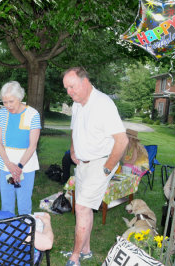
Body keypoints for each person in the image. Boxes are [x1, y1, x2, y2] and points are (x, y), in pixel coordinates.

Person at [63, 67, 128, 266]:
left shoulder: (103, 104)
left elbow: (122, 141)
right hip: (82, 163)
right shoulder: (77, 104)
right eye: (66, 88)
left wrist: (108, 167)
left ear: (85, 81)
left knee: (82, 207)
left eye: (72, 87)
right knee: (86, 207)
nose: (69, 92)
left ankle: (75, 257)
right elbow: (74, 129)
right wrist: (73, 151)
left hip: (100, 163)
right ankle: (86, 250)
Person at [0, 81, 42, 215]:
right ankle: (8, 233)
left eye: (11, 101)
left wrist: (19, 166)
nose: (8, 105)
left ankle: (25, 233)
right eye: (5, 102)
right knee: (7, 204)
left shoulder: (33, 114)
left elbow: (33, 145)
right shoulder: (2, 114)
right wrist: (9, 165)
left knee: (24, 203)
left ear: (20, 98)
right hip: (5, 165)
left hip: (26, 165)